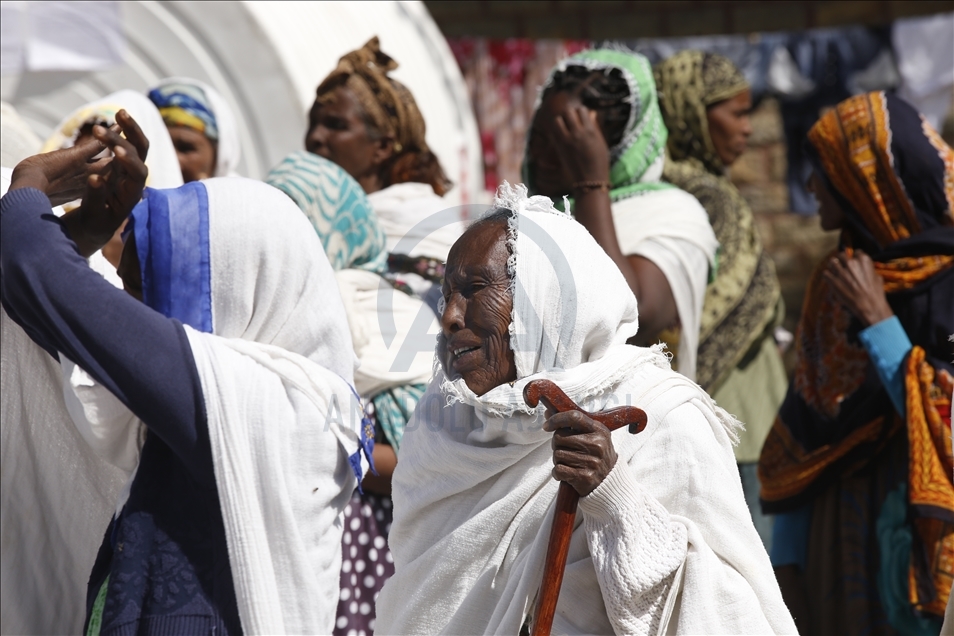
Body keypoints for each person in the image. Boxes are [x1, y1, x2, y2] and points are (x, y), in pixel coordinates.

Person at [1, 114, 369, 634]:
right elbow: (38, 309)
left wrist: (33, 180)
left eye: (147, 293)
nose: (137, 321)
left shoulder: (253, 403)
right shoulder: (233, 405)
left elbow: (29, 266)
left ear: (231, 289)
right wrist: (81, 232)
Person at [374, 182, 796, 635]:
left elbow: (730, 612)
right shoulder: (442, 428)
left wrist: (614, 495)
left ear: (545, 299)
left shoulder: (660, 417)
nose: (450, 317)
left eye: (476, 288)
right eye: (447, 294)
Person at [758, 91, 953, 635]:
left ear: (869, 181)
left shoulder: (947, 280)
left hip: (926, 536)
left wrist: (880, 321)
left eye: (823, 170)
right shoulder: (838, 275)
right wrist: (786, 563)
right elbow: (812, 421)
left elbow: (944, 422)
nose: (811, 184)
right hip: (839, 543)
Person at [267, 150, 435, 636]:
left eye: (296, 222)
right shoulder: (270, 307)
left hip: (369, 549)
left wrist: (338, 457)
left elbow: (426, 465)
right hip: (295, 543)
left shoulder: (387, 315)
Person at [654, 50, 787, 549]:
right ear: (690, 112)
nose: (748, 129)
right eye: (735, 113)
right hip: (735, 424)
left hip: (746, 420)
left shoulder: (690, 191)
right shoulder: (702, 198)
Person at [524, 49, 718, 381]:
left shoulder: (677, 216)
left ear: (614, 150)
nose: (542, 156)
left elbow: (632, 313)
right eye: (539, 137)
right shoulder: (527, 215)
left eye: (568, 144)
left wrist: (591, 185)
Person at [307, 36, 465, 312]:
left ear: (381, 147)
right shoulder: (306, 216)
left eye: (335, 125)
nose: (315, 137)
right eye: (313, 123)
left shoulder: (424, 222)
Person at [40, 90, 184, 283]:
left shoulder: (151, 262)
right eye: (79, 166)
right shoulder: (33, 218)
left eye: (108, 169)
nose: (92, 183)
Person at [147, 77, 242, 181]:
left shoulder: (244, 196)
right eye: (159, 146)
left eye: (185, 148)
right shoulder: (134, 193)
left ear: (216, 157)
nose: (171, 160)